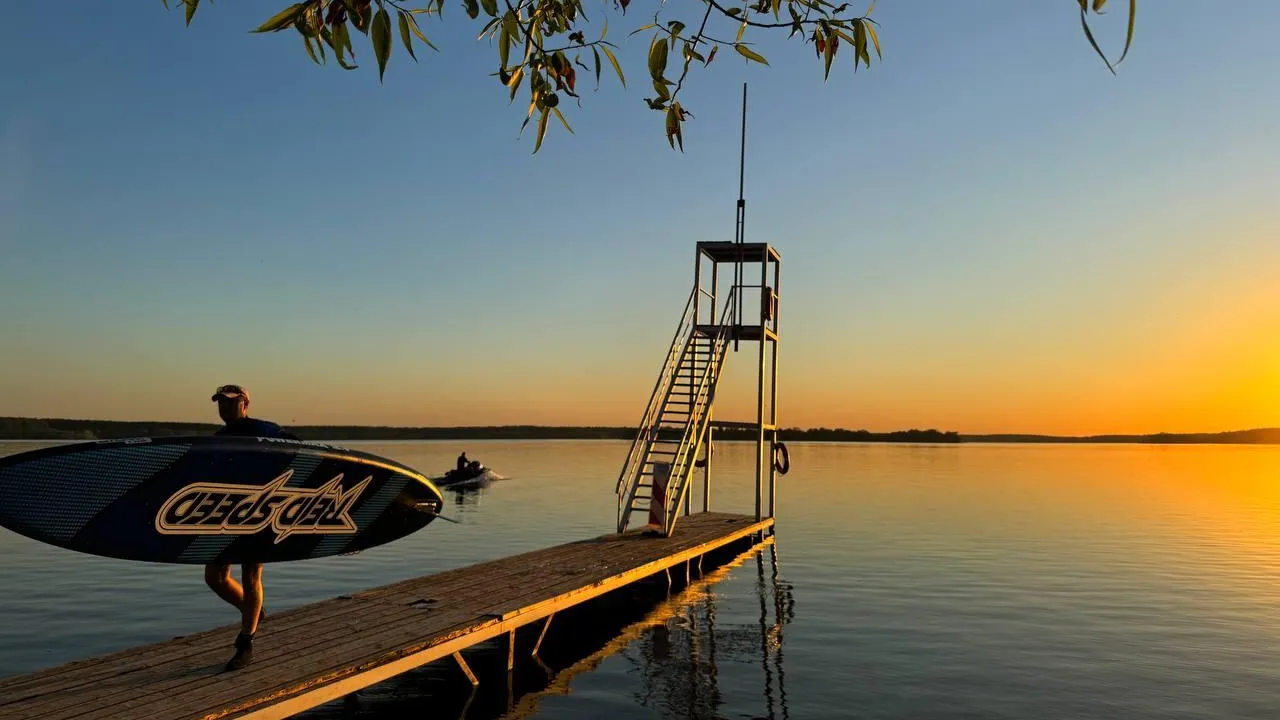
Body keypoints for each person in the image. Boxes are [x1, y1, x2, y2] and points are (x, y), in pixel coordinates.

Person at [207, 383, 300, 672]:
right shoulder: (217, 438)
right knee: (215, 577)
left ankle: (245, 641)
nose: (224, 406)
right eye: (220, 401)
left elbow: (295, 444)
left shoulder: (261, 428)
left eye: (230, 401)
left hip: (260, 511)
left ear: (245, 403)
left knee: (251, 574)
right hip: (227, 513)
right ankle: (254, 612)